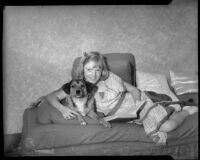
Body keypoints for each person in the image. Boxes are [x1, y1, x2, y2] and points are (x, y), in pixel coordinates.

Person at [32, 51, 198, 143]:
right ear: (83, 70)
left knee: (167, 127)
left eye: (97, 69)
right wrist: (61, 109)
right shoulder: (78, 85)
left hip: (136, 106)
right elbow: (51, 97)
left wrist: (138, 104)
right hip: (123, 115)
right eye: (89, 70)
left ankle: (188, 110)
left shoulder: (110, 78)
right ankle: (178, 111)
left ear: (102, 69)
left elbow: (133, 89)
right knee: (165, 125)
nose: (94, 74)